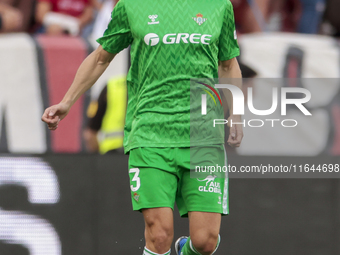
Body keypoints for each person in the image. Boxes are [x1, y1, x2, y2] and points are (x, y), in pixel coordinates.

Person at [41, 0, 243, 254]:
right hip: (150, 133)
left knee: (206, 241)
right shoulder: (132, 5)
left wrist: (235, 113)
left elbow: (228, 64)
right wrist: (67, 101)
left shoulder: (218, 6)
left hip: (203, 137)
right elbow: (101, 57)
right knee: (159, 235)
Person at [83, 76, 127, 154]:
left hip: (110, 153)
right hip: (141, 152)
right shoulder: (148, 86)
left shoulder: (111, 87)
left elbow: (90, 134)